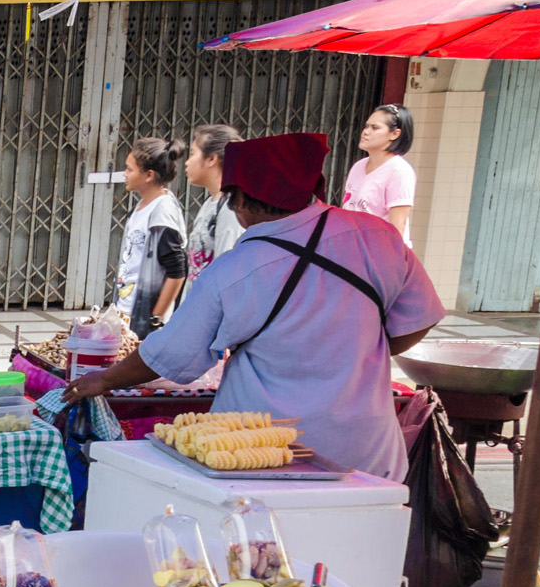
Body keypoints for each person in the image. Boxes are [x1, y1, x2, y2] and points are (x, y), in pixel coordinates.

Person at [68, 131, 445, 481]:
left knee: (264, 551)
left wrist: (102, 379)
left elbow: (173, 356)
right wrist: (361, 348)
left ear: (242, 199)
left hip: (264, 452)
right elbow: (420, 318)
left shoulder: (234, 271)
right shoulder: (377, 236)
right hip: (366, 450)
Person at [114, 137, 188, 337]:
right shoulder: (141, 207)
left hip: (144, 320)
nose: (124, 174)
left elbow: (177, 271)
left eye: (129, 169)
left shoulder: (162, 213)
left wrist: (155, 318)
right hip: (127, 311)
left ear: (149, 175)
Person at [343, 103, 417, 243]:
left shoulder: (399, 172)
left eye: (375, 128)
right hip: (352, 249)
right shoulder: (358, 166)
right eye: (366, 126)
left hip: (379, 253)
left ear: (394, 134)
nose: (366, 132)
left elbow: (398, 226)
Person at [184, 123, 244, 285]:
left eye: (192, 154)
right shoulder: (210, 203)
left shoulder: (230, 209)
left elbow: (226, 277)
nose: (187, 162)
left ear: (211, 159)